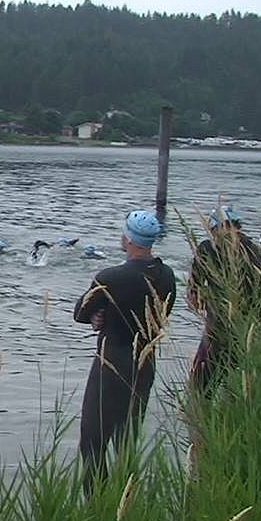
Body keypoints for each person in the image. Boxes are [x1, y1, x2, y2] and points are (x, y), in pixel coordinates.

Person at [73, 210, 176, 492]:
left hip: (111, 365)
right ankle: (126, 505)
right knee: (127, 442)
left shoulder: (112, 276)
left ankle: (96, 509)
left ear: (128, 238)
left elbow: (81, 312)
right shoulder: (167, 274)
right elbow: (159, 313)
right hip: (145, 366)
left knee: (92, 442)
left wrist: (97, 315)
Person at [188, 205, 261, 394]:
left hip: (217, 333)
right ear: (238, 225)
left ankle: (197, 421)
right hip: (249, 334)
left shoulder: (207, 248)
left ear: (213, 228)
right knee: (239, 392)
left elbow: (192, 295)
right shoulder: (257, 252)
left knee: (199, 391)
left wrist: (205, 306)